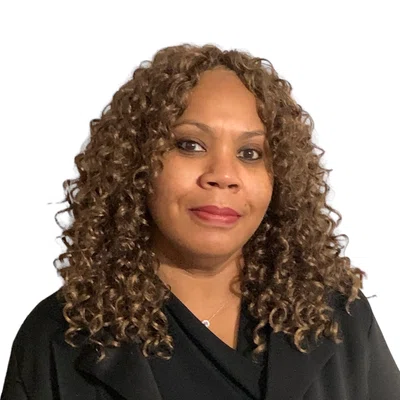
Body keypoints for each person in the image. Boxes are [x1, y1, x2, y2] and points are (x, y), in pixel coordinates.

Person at [1, 43, 400, 400]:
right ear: (136, 164)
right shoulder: (60, 338)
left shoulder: (338, 317)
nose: (223, 175)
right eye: (189, 145)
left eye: (250, 153)